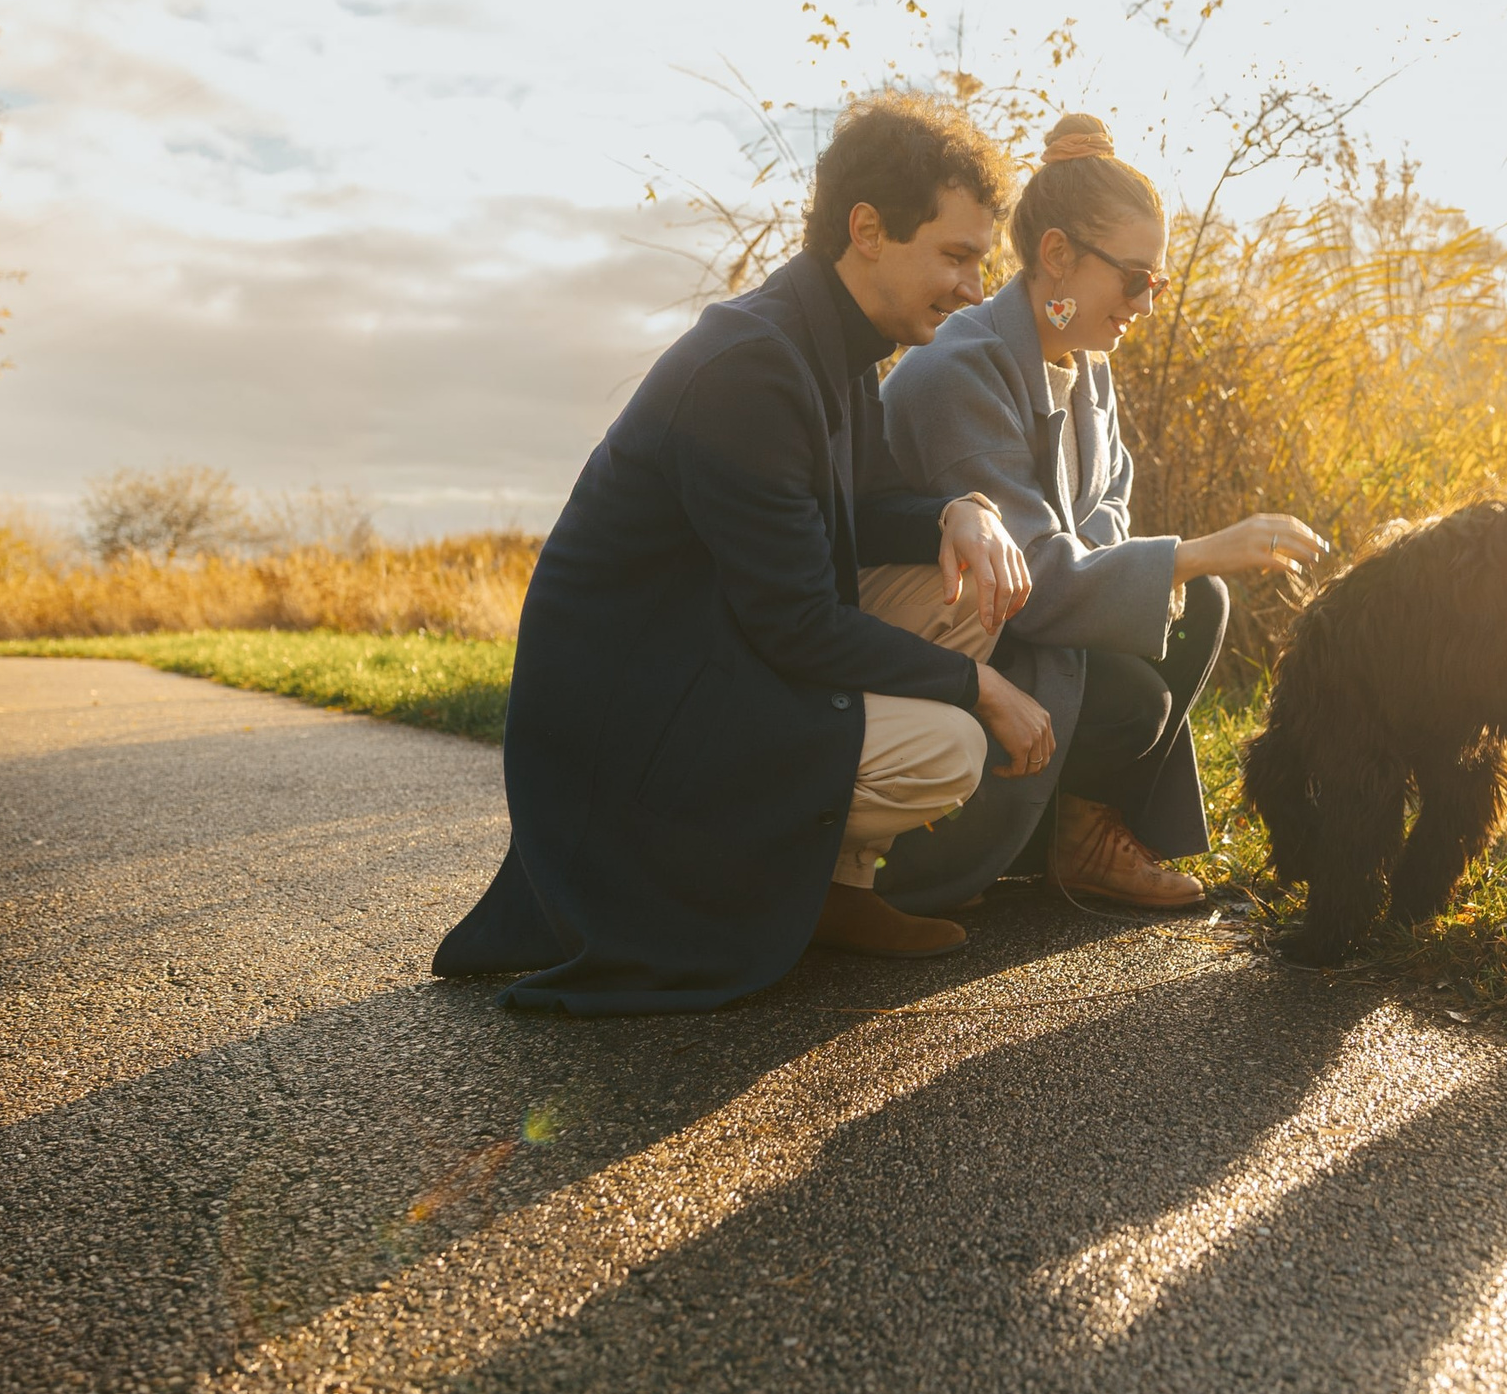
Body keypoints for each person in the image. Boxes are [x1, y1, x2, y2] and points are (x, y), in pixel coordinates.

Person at [432, 94, 1055, 1013]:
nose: (972, 288)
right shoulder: (751, 369)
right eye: (956, 255)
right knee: (950, 747)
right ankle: (734, 886)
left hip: (710, 662)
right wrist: (983, 689)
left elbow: (873, 504)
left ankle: (836, 892)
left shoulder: (835, 345)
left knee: (960, 584)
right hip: (633, 736)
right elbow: (798, 624)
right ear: (869, 230)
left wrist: (960, 510)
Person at [873, 112, 1326, 913]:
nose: (1146, 302)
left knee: (1201, 607)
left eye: (1157, 283)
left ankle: (1083, 837)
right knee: (1133, 695)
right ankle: (973, 844)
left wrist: (1174, 573)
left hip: (1028, 611)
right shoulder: (957, 371)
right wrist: (1189, 554)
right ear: (1057, 256)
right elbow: (1025, 577)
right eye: (1135, 278)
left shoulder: (1085, 361)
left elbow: (1106, 512)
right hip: (950, 634)